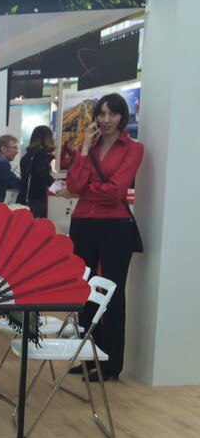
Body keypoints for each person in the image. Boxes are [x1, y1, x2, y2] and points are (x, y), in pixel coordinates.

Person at [64, 92, 144, 382]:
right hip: (83, 223)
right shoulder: (89, 146)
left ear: (123, 116)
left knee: (112, 292)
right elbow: (73, 181)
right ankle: (88, 357)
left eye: (113, 113)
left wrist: (83, 190)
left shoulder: (133, 148)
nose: (106, 119)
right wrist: (85, 148)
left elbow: (115, 192)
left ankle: (111, 363)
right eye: (101, 113)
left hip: (115, 226)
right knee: (84, 289)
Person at [16, 125, 56, 218]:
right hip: (36, 199)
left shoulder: (26, 156)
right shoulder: (41, 152)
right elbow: (43, 175)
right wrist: (56, 186)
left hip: (23, 198)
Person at [0, 134, 21, 205]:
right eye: (14, 148)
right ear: (3, 149)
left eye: (17, 148)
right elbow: (14, 183)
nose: (17, 151)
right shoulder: (1, 163)